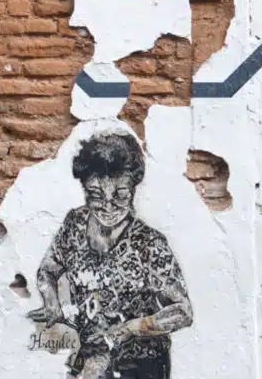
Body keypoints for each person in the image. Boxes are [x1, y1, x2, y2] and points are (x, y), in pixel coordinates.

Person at [34, 130, 193, 379]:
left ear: (133, 189)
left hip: (141, 367)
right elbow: (47, 271)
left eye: (120, 195)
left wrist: (130, 328)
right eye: (96, 195)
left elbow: (183, 312)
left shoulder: (149, 244)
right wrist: (53, 305)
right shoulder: (75, 224)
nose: (108, 206)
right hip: (91, 359)